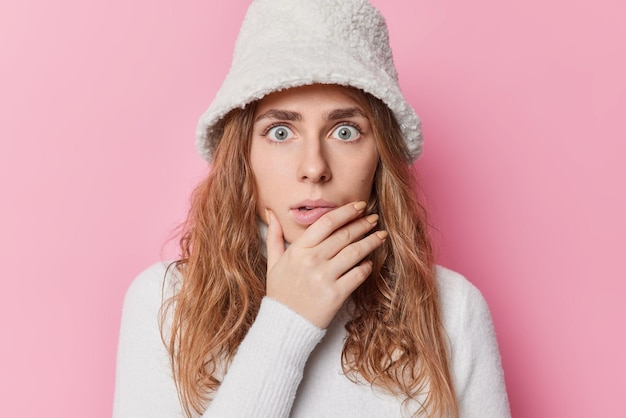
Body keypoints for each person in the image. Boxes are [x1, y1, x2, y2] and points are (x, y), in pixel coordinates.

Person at [113, 0, 511, 417]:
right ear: (242, 154)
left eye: (345, 131)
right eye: (280, 131)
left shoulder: (453, 308)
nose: (314, 168)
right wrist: (287, 321)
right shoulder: (167, 303)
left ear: (381, 154)